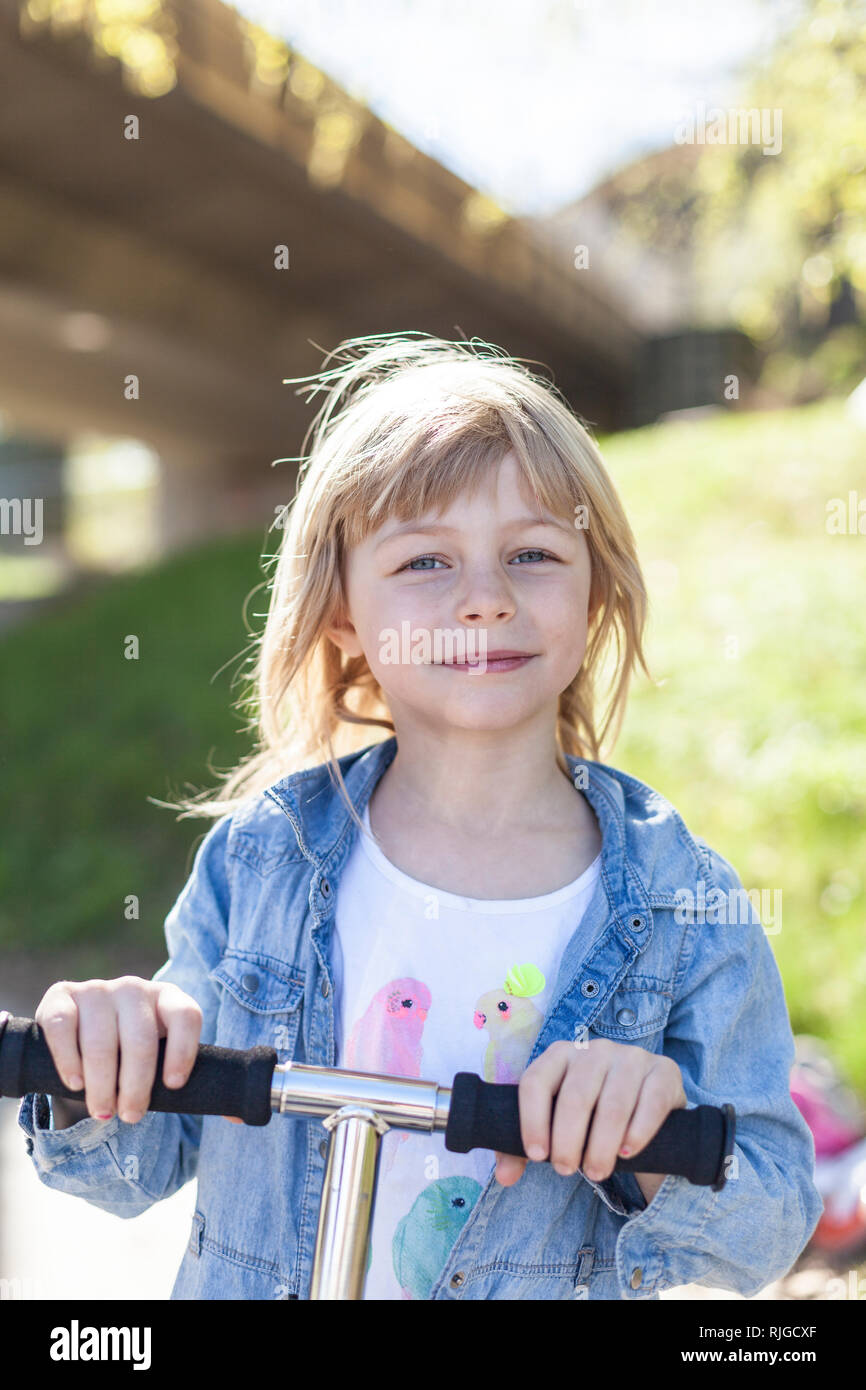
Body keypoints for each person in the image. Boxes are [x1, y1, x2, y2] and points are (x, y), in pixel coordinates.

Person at [19, 332, 823, 1300]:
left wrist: (646, 1139)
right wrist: (94, 1059)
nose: (482, 600)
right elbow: (129, 1164)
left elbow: (763, 1223)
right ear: (342, 613)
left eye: (531, 553)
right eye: (424, 562)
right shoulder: (266, 856)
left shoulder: (682, 900)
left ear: (594, 589)